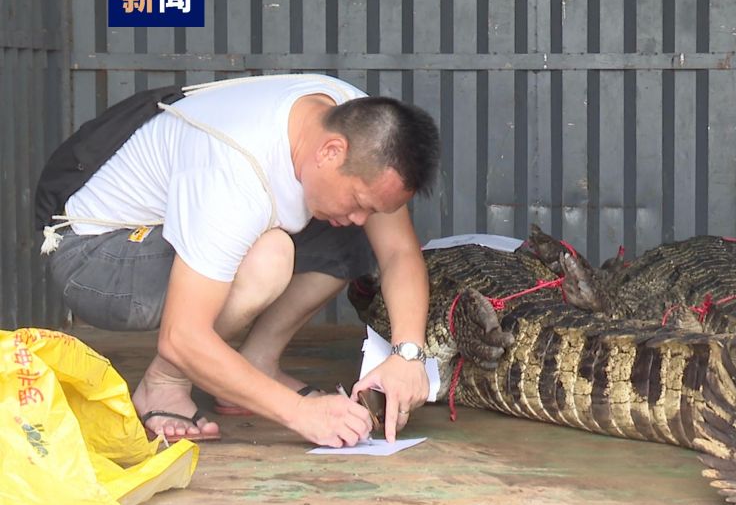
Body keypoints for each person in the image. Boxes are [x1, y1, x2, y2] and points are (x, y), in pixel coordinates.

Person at [38, 73, 440, 447]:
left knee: (352, 235)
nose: (359, 216)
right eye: (358, 201)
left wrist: (407, 356)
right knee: (269, 257)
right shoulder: (232, 172)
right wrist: (299, 413)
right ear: (331, 152)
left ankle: (257, 363)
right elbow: (183, 336)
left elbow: (399, 253)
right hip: (99, 256)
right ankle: (164, 382)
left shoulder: (355, 120)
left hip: (173, 227)